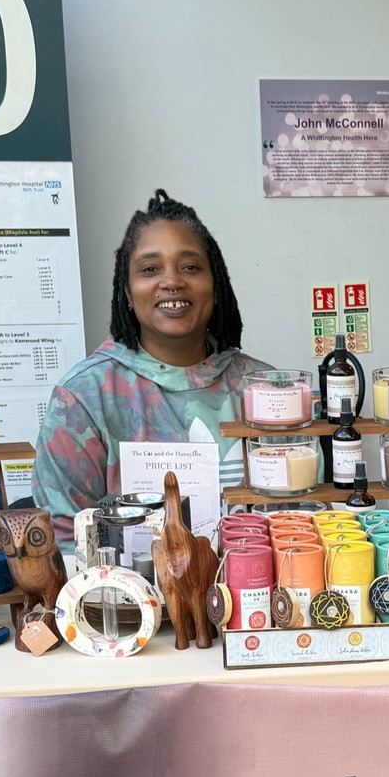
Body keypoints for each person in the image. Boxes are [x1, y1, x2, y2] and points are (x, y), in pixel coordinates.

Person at [32, 189, 269, 547]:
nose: (172, 281)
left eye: (190, 266)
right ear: (127, 292)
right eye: (150, 269)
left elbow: (301, 517)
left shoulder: (266, 390)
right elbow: (66, 541)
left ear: (216, 285)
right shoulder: (82, 399)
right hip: (123, 599)